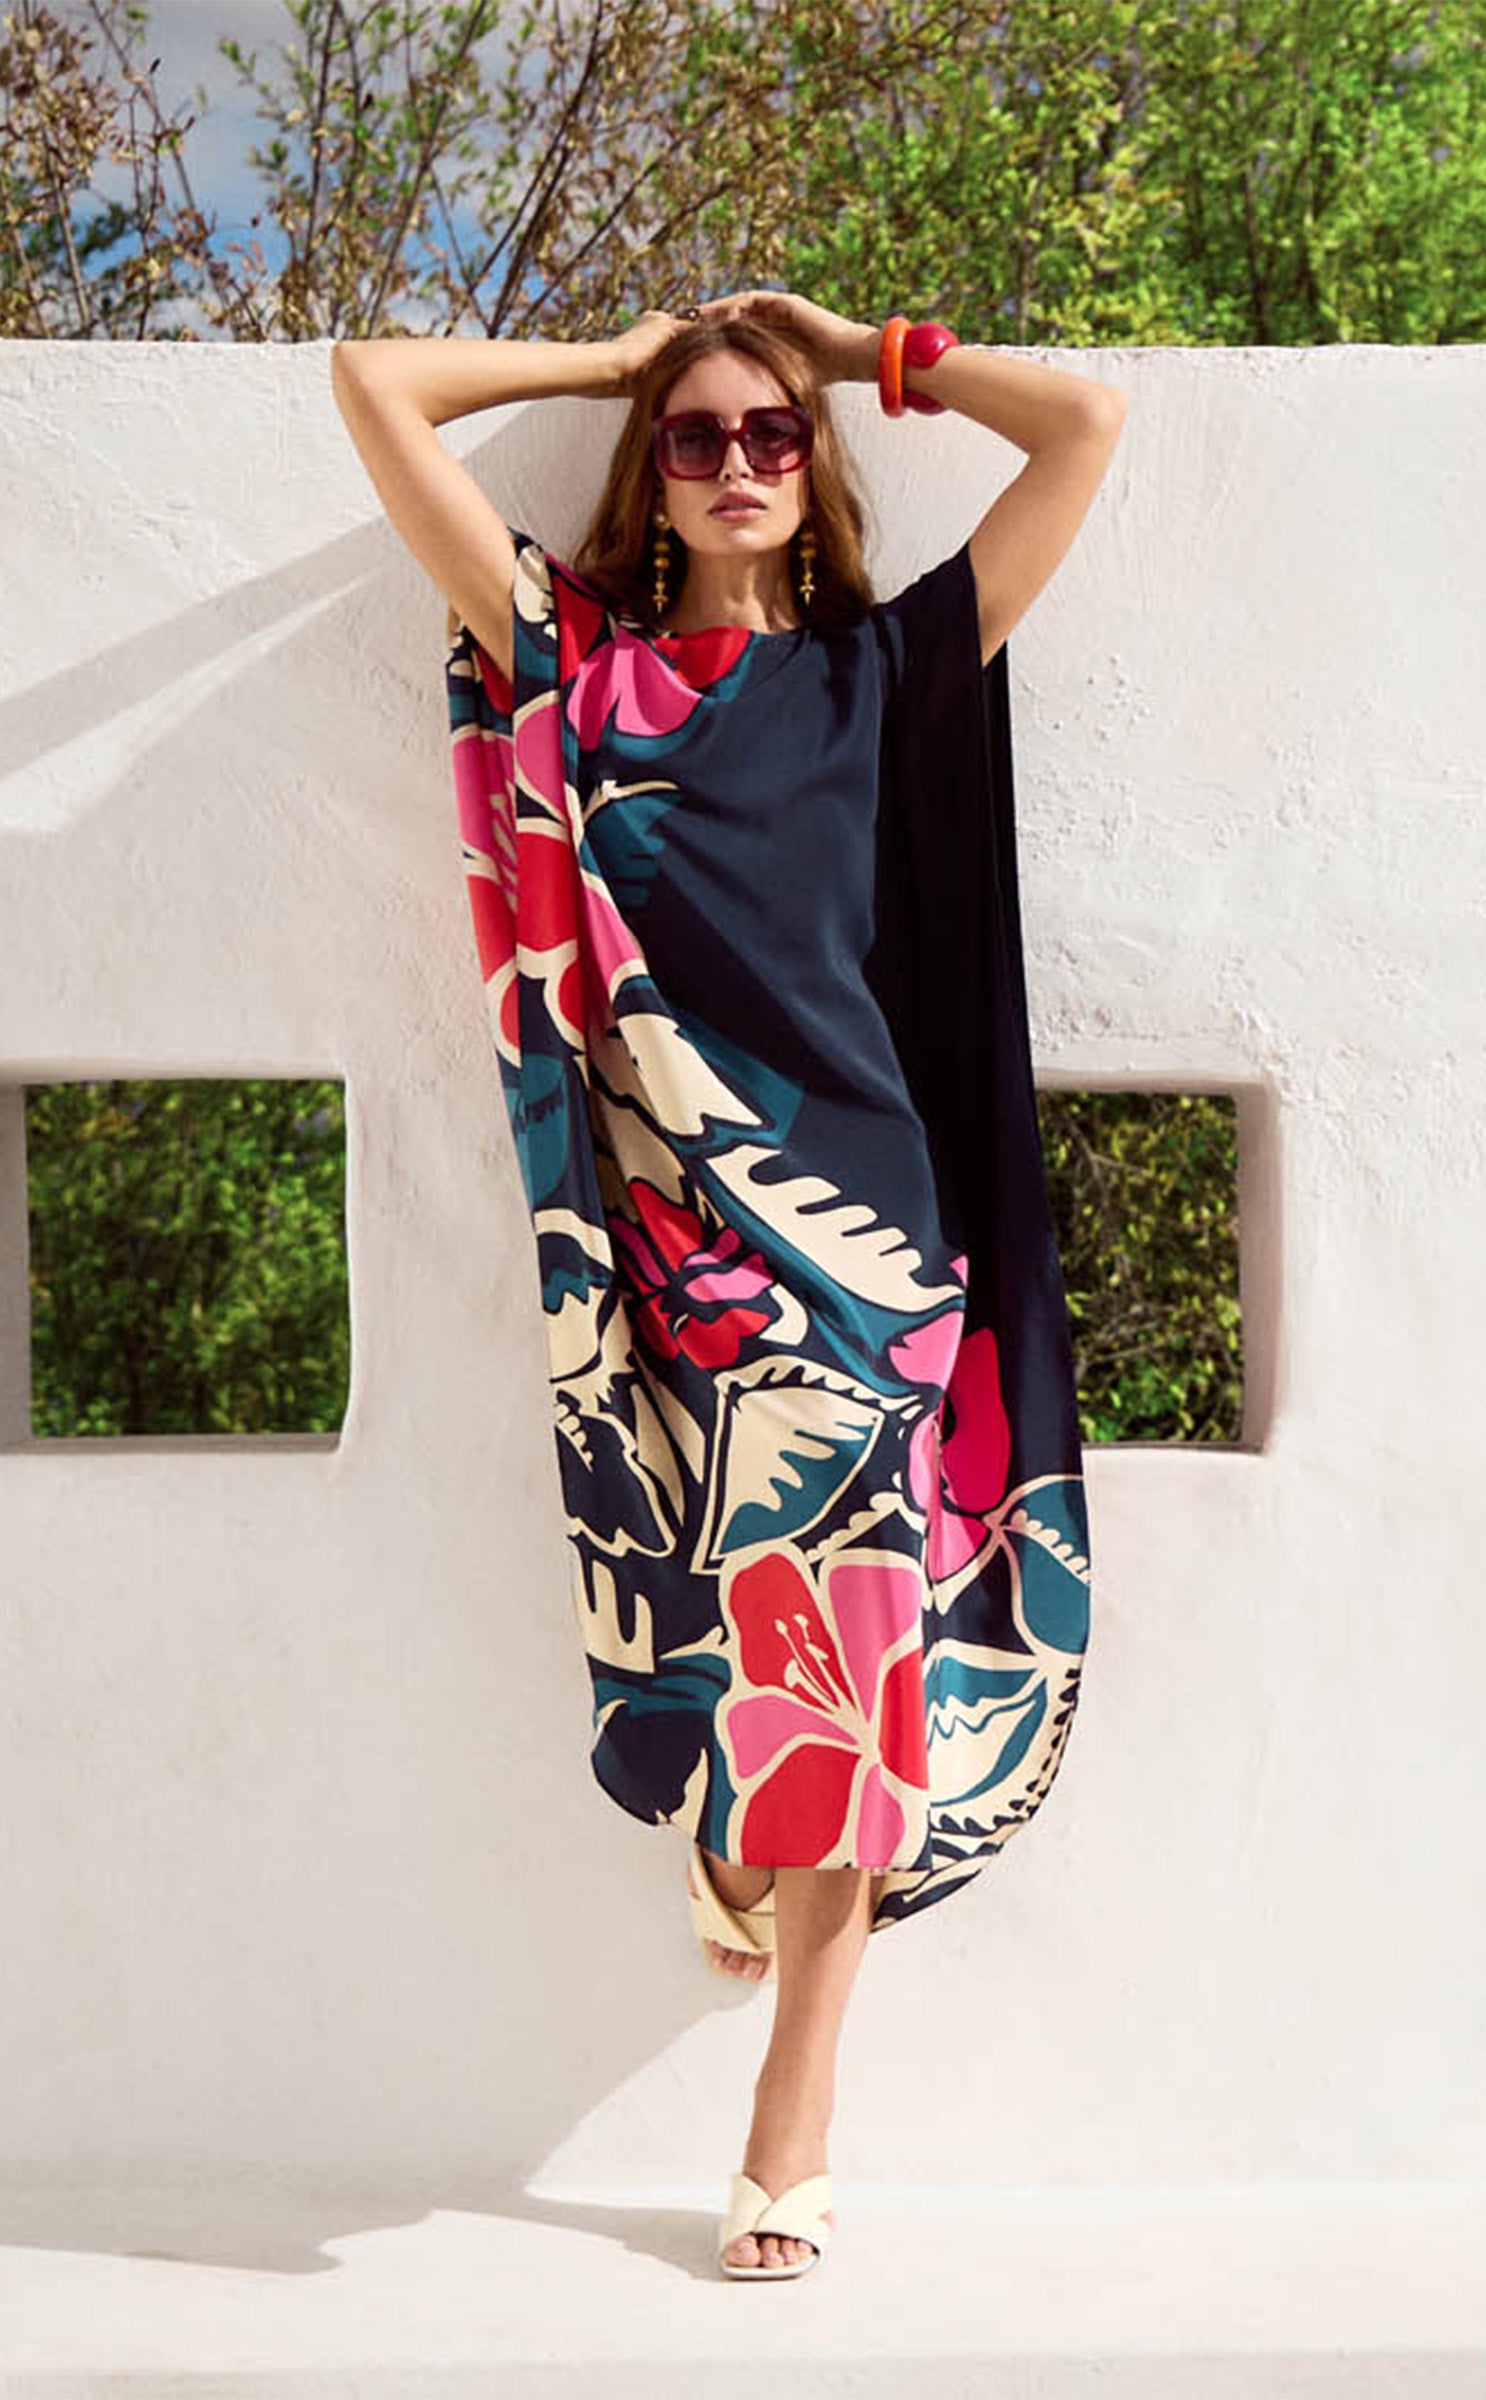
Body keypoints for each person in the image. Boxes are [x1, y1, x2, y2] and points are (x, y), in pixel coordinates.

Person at [331, 291, 1126, 2280]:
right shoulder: (569, 661)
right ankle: (724, 1847)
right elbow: (374, 390)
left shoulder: (883, 671)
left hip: (860, 1242)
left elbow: (1086, 427)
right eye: (698, 438)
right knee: (712, 1623)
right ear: (651, 477)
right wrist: (612, 362)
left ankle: (790, 2121)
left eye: (770, 435)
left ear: (814, 463)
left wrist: (859, 350)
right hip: (653, 1251)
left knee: (843, 1678)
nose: (740, 461)